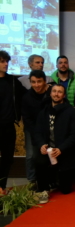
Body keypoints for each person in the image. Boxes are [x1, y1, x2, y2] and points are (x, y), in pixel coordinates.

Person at [34, 85, 75, 203]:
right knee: (38, 160)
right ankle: (43, 189)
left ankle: (57, 181)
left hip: (65, 152)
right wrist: (41, 144)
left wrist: (61, 149)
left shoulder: (71, 112)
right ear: (50, 94)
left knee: (65, 190)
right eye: (54, 91)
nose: (56, 94)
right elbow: (37, 131)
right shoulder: (43, 112)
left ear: (64, 95)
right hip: (48, 150)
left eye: (59, 92)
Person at [0, 50, 25, 195]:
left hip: (9, 125)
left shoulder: (13, 82)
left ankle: (2, 187)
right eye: (2, 61)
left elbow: (27, 95)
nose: (6, 64)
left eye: (7, 61)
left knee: (8, 158)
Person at [21, 70, 52, 185]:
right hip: (33, 130)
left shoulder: (51, 93)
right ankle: (32, 181)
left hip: (51, 129)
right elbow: (27, 119)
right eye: (33, 82)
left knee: (50, 154)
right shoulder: (26, 97)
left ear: (44, 81)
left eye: (39, 82)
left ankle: (52, 180)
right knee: (31, 155)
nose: (36, 85)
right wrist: (38, 138)